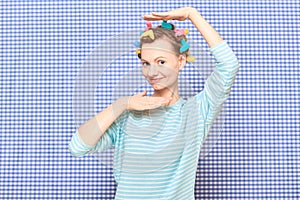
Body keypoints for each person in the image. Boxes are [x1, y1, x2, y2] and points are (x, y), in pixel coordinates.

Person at [69, 6, 239, 200]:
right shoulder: (128, 114)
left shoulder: (197, 111)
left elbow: (229, 65)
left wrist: (192, 14)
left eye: (161, 62)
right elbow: (77, 146)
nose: (152, 72)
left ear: (180, 61)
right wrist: (120, 105)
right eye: (145, 63)